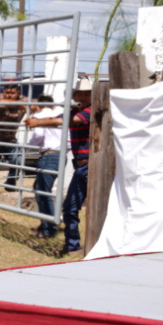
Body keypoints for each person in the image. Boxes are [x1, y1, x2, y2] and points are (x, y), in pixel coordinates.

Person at [23, 95, 65, 236]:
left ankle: (49, 228)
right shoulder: (58, 115)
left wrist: (28, 146)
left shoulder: (40, 116)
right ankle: (47, 225)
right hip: (60, 155)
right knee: (42, 191)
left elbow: (38, 136)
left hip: (48, 155)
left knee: (43, 192)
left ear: (38, 105)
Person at [61, 77, 94, 253]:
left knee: (95, 208)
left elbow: (71, 121)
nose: (82, 96)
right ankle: (72, 245)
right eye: (79, 93)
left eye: (86, 93)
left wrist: (39, 121)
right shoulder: (75, 111)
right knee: (69, 208)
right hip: (81, 166)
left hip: (91, 165)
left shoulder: (90, 110)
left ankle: (87, 244)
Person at [0, 82, 26, 200]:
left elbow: (32, 103)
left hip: (9, 139)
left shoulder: (23, 101)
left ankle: (10, 183)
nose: (8, 95)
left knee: (18, 160)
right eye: (6, 92)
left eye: (12, 93)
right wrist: (23, 103)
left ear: (18, 93)